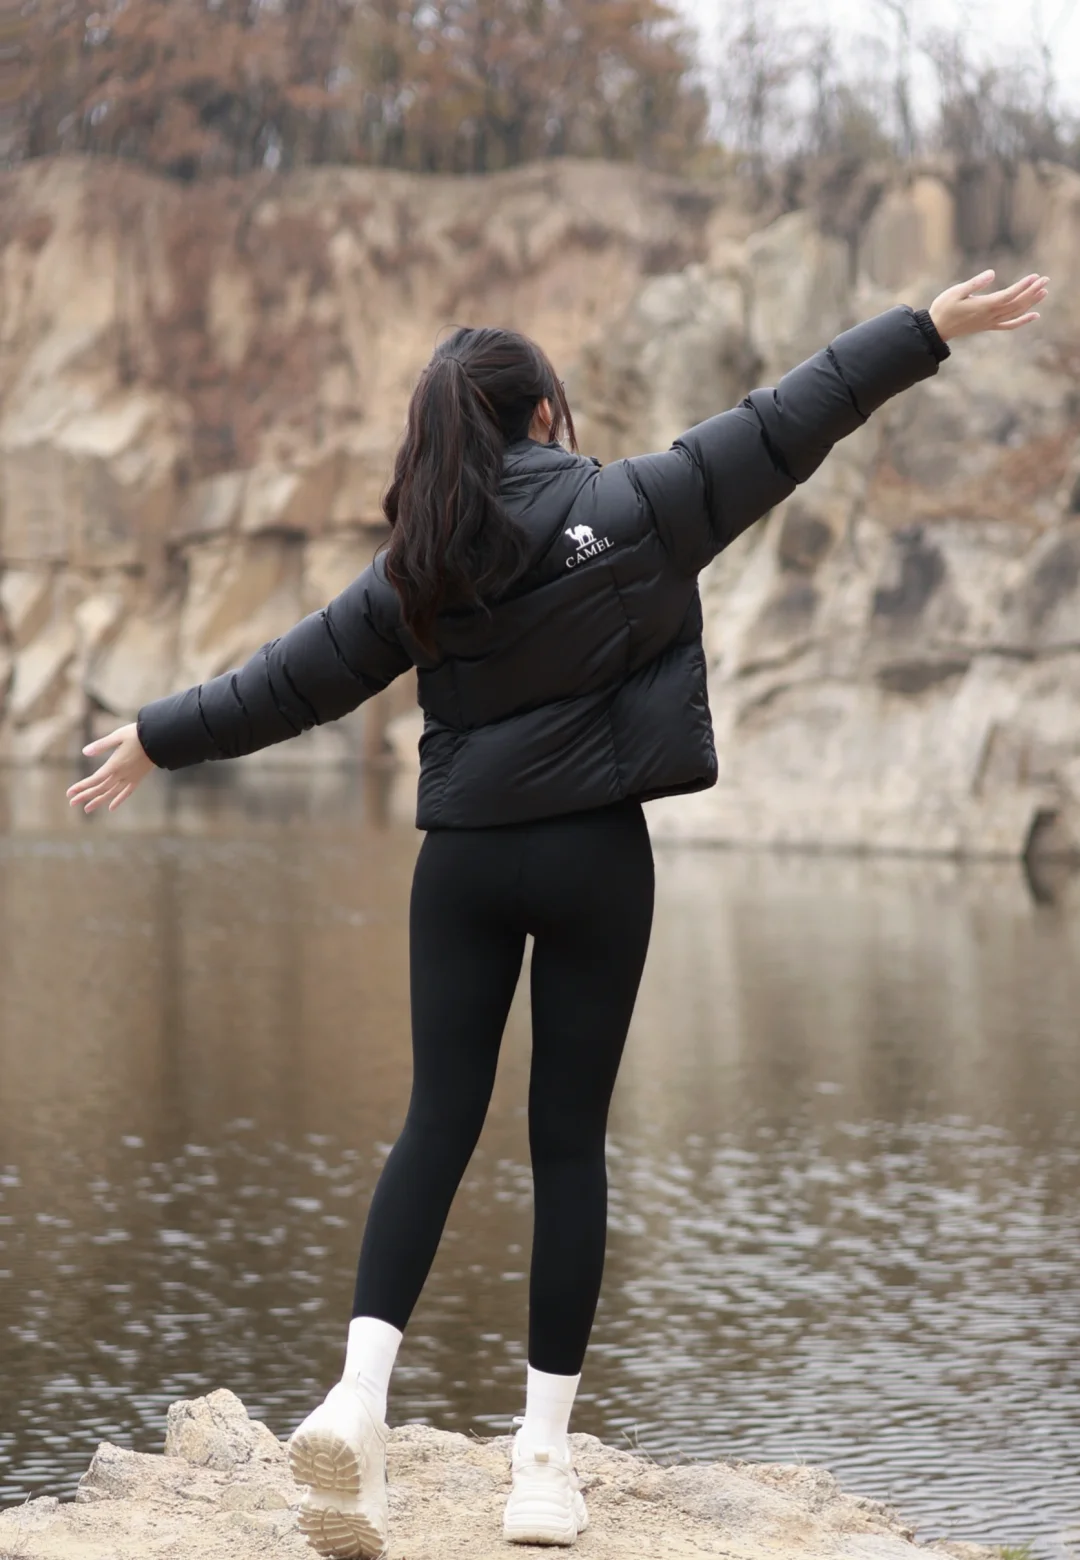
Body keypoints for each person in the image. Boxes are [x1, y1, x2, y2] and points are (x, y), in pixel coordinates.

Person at [67, 267, 1048, 1558]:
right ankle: (541, 1466)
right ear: (543, 416)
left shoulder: (419, 564)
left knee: (436, 1121)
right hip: (593, 854)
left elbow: (288, 682)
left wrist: (151, 737)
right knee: (569, 1144)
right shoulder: (636, 503)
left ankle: (355, 1406)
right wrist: (924, 331)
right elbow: (793, 415)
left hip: (463, 863)